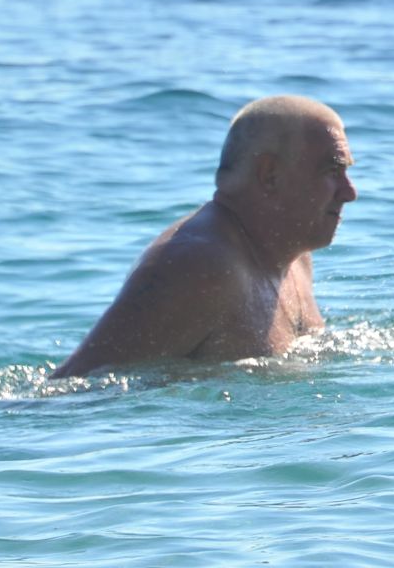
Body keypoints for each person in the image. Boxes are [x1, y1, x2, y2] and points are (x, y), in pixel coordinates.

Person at [51, 96, 357, 378]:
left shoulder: (293, 254)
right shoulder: (200, 266)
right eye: (332, 171)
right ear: (269, 174)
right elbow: (72, 390)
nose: (350, 192)